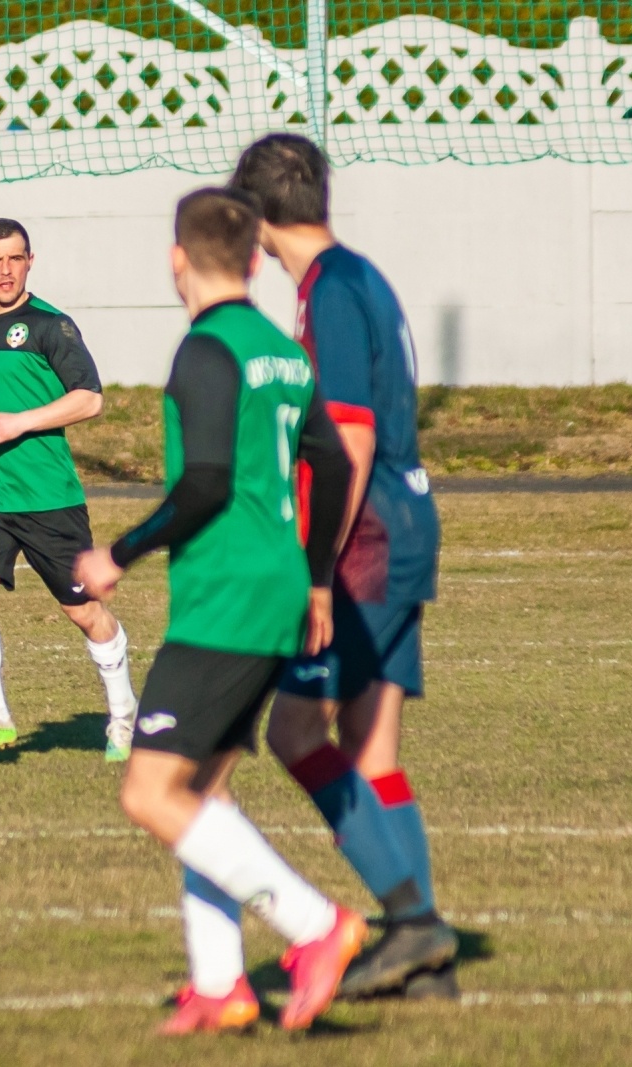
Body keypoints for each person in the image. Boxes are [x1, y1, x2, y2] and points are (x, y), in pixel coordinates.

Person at [73, 188, 361, 1034]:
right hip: (276, 592)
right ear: (249, 260)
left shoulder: (207, 351)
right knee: (205, 793)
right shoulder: (282, 350)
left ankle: (316, 927)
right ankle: (221, 984)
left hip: (225, 602)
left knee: (151, 792)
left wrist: (116, 554)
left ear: (178, 260)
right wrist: (315, 580)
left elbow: (202, 485)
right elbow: (337, 467)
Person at [230, 134, 459, 999]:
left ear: (256, 219)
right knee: (371, 750)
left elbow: (350, 439)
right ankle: (424, 955)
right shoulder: (360, 274)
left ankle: (412, 920)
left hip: (365, 540)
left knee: (295, 733)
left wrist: (315, 570)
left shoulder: (326, 291)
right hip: (406, 522)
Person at [0, 219, 138, 762]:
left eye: (15, 258)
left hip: (48, 498)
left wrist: (21, 423)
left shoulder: (51, 326)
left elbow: (89, 398)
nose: (5, 270)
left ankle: (124, 716)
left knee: (85, 612)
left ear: (29, 261)